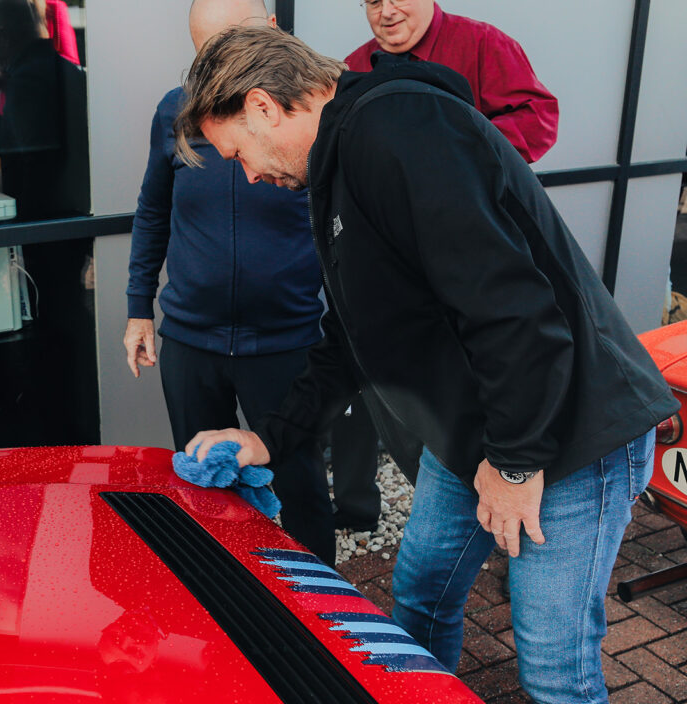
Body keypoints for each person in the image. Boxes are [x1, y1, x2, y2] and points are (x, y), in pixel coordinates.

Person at [174, 26, 677, 703]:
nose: (251, 175)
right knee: (420, 596)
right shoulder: (339, 166)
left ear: (264, 105)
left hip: (571, 429)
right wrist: (269, 435)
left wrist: (516, 463)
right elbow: (352, 334)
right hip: (476, 425)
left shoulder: (400, 129)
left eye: (238, 153)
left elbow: (516, 312)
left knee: (554, 662)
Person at [333, 0, 561, 534]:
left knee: (499, 375)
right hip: (405, 276)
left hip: (474, 257)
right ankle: (450, 499)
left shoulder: (483, 44)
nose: (385, 11)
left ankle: (515, 521)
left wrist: (451, 165)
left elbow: (537, 118)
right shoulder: (353, 65)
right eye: (371, 1)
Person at [123, 0, 334, 564]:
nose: (218, 69)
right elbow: (152, 211)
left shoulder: (305, 126)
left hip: (286, 341)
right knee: (202, 481)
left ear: (270, 33)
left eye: (229, 47)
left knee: (302, 484)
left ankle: (322, 616)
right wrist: (138, 307)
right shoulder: (177, 111)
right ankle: (219, 591)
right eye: (204, 56)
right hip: (192, 341)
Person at [0, 0, 90, 219]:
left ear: (3, 35)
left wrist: (25, 225)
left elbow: (36, 164)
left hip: (47, 222)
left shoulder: (26, 82)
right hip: (71, 212)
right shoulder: (61, 68)